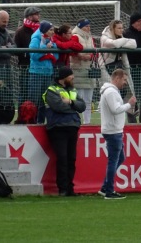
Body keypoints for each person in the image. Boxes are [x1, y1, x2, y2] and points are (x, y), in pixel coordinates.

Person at [42, 66, 86, 196]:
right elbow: (58, 107)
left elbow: (82, 106)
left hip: (72, 127)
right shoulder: (51, 90)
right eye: (70, 76)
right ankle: (62, 188)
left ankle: (69, 188)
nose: (73, 77)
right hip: (58, 128)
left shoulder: (72, 90)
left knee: (71, 159)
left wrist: (70, 103)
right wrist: (74, 107)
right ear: (63, 78)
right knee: (62, 158)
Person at [98, 68, 137, 199]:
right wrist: (129, 105)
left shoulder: (110, 92)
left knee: (119, 159)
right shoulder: (111, 92)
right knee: (114, 160)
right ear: (117, 78)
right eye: (124, 80)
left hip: (114, 129)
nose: (125, 83)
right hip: (113, 131)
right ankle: (109, 190)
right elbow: (115, 110)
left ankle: (105, 187)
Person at [101, 19, 137, 120]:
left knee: (125, 91)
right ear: (113, 29)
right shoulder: (104, 37)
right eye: (119, 28)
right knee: (113, 93)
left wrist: (121, 41)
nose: (122, 30)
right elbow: (113, 44)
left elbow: (134, 44)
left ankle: (130, 117)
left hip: (121, 67)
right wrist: (124, 41)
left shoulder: (121, 37)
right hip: (109, 68)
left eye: (122, 28)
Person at [29, 20, 58, 123]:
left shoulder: (50, 39)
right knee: (35, 99)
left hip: (47, 72)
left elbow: (56, 55)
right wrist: (45, 48)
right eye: (50, 30)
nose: (52, 32)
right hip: (37, 72)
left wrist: (53, 49)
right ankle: (32, 121)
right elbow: (33, 54)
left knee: (45, 100)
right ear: (45, 30)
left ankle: (41, 121)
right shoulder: (36, 38)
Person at [70, 19, 98, 124]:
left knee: (88, 99)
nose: (88, 28)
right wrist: (81, 56)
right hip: (77, 69)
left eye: (89, 26)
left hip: (88, 70)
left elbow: (95, 51)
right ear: (80, 27)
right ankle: (77, 120)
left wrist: (90, 56)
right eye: (86, 26)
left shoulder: (90, 37)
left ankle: (87, 122)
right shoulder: (75, 36)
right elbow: (71, 50)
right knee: (78, 97)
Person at [14, 6, 41, 103]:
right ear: (29, 17)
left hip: (38, 66)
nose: (38, 16)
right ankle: (23, 114)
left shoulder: (40, 30)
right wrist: (26, 55)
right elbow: (17, 48)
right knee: (24, 91)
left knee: (36, 93)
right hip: (25, 65)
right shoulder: (20, 31)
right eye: (36, 14)